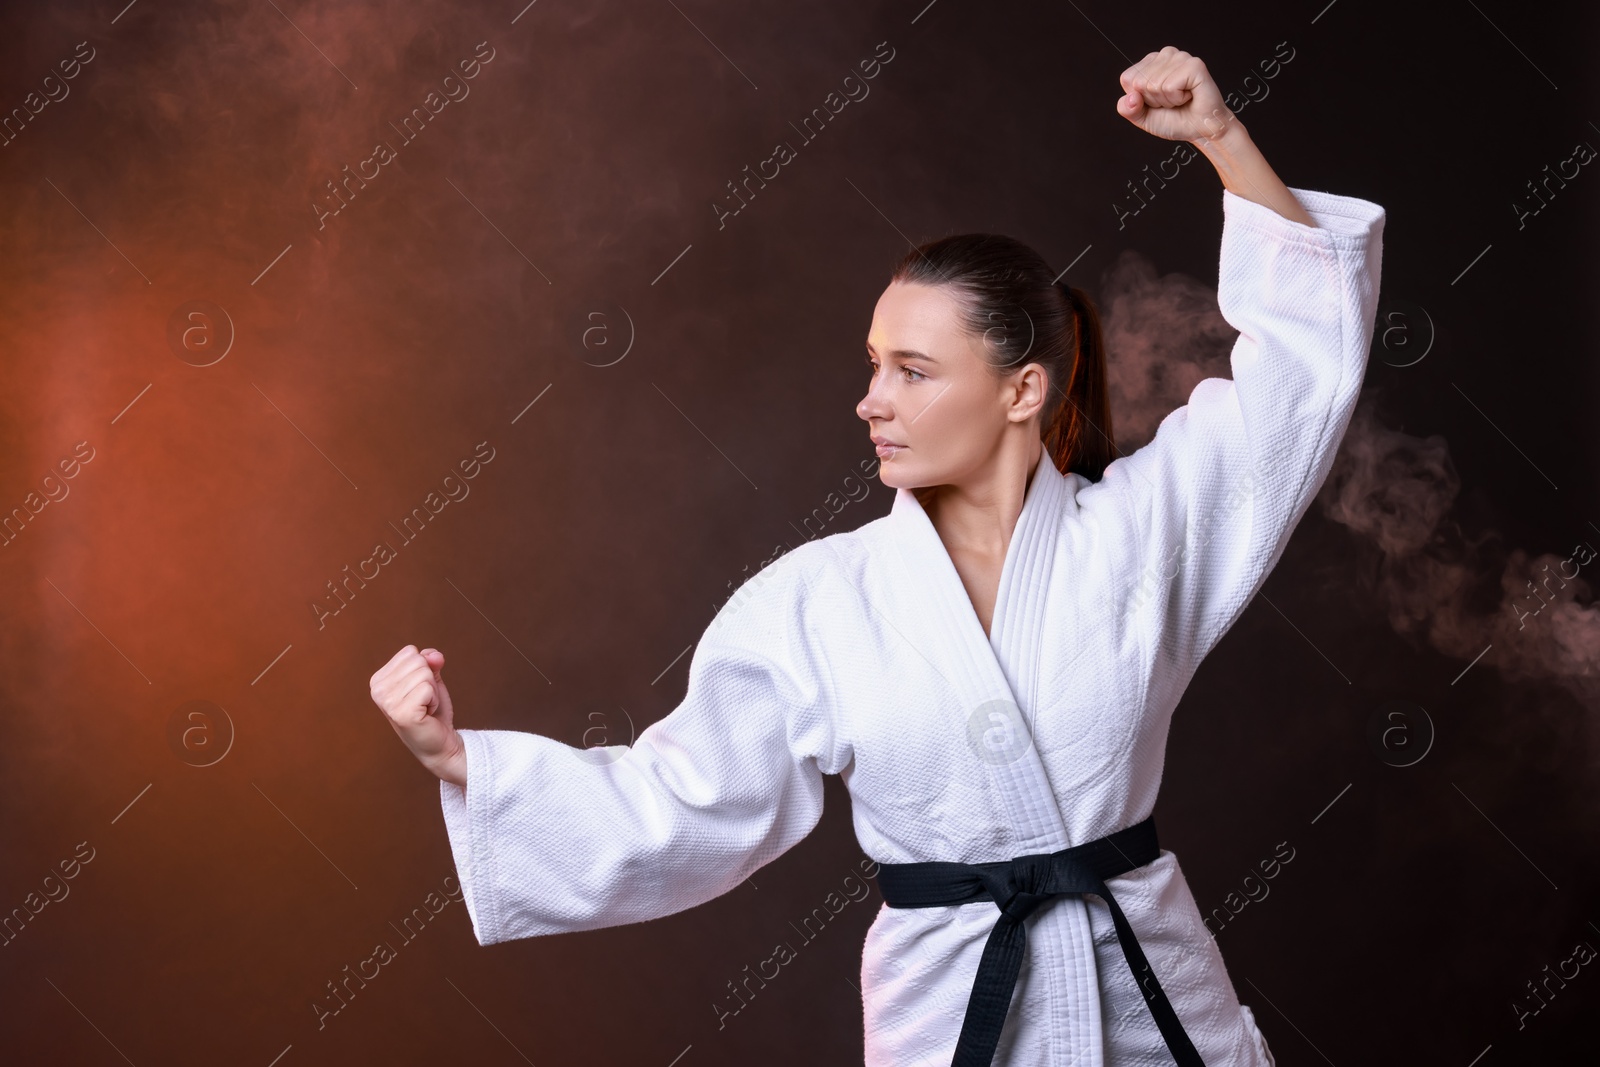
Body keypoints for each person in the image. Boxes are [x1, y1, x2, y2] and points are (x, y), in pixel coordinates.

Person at [370, 45, 1384, 1066]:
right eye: (872, 366)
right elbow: (686, 800)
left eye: (911, 370)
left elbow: (1296, 381)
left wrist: (1220, 137)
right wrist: (464, 761)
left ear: (1021, 391)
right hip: (950, 1024)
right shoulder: (818, 601)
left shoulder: (1140, 533)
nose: (871, 400)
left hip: (1160, 1015)